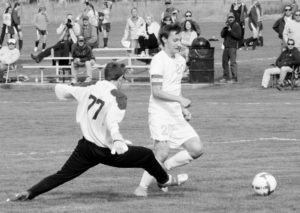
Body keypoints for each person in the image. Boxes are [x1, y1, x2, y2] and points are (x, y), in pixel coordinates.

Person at [6, 62, 187, 202]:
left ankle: (29, 193)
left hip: (85, 148)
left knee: (62, 175)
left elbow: (64, 90)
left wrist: (60, 89)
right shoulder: (119, 96)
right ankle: (165, 180)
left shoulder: (91, 88)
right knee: (147, 155)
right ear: (120, 78)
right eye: (124, 79)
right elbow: (111, 121)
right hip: (106, 151)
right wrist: (117, 139)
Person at [134, 23, 203, 197]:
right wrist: (180, 100)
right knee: (162, 151)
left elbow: (174, 87)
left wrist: (181, 108)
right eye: (175, 39)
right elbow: (157, 92)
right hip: (159, 113)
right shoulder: (158, 60)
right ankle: (141, 188)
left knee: (196, 148)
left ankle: (163, 171)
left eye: (180, 39)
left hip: (174, 113)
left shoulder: (180, 61)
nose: (179, 43)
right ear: (164, 40)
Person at [219, 12, 242, 83]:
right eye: (229, 18)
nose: (230, 19)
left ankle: (234, 78)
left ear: (234, 18)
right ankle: (226, 77)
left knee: (232, 63)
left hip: (232, 47)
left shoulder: (236, 25)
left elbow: (238, 36)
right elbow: (222, 35)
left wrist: (231, 31)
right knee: (224, 62)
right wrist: (225, 28)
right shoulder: (227, 26)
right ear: (227, 18)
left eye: (232, 17)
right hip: (226, 47)